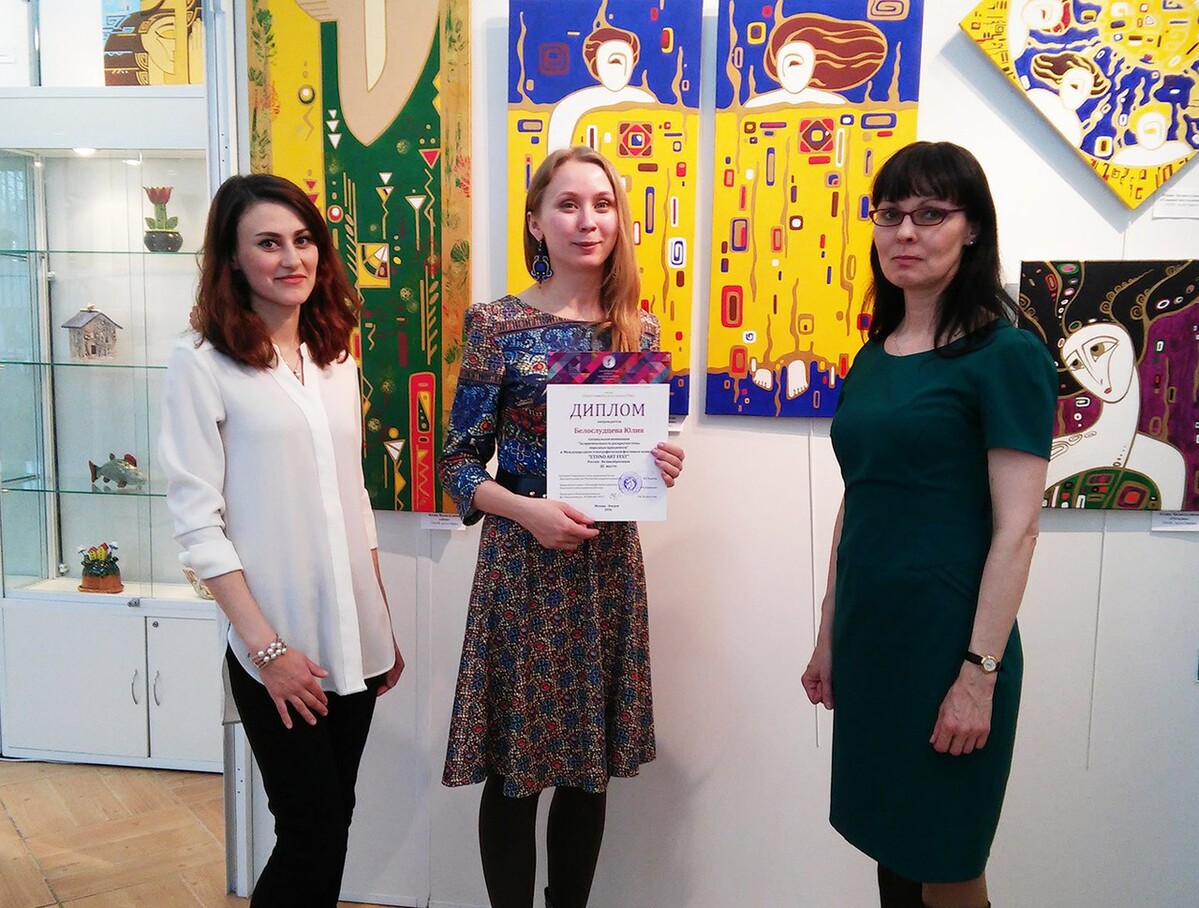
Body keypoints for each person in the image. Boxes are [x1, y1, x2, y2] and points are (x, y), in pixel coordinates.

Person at [801, 142, 1057, 908]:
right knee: (891, 845)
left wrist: (977, 676)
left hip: (949, 646)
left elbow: (1018, 530)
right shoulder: (873, 356)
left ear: (971, 228)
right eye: (889, 214)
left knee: (947, 864)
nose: (904, 232)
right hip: (873, 640)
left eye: (929, 214)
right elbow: (858, 499)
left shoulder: (1005, 356)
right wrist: (828, 631)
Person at [439, 146, 685, 908]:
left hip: (606, 568)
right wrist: (527, 511)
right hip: (522, 566)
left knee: (587, 768)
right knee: (516, 770)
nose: (588, 220)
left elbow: (629, 451)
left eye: (602, 204)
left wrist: (661, 461)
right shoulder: (497, 324)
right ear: (536, 222)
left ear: (620, 220)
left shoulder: (638, 330)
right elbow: (456, 463)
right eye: (568, 205)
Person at [160, 173, 404, 906]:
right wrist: (268, 652)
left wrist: (381, 622)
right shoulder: (201, 363)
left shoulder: (335, 358)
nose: (292, 258)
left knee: (334, 823)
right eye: (268, 243)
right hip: (277, 647)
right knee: (310, 830)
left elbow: (354, 500)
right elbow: (198, 525)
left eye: (303, 241)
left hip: (356, 639)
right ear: (233, 259)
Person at [745, 13, 886, 108]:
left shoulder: (835, 104)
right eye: (778, 62)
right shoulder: (757, 105)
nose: (782, 71)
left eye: (794, 63)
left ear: (817, 65)